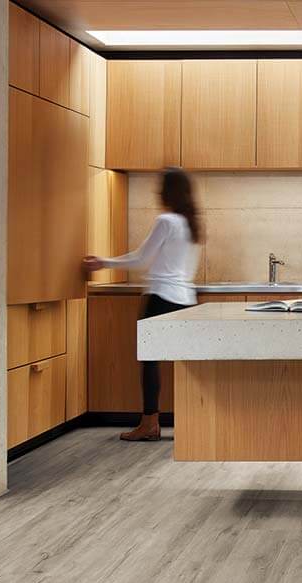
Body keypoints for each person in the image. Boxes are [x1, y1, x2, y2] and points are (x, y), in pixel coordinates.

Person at [84, 167, 201, 441]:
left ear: (167, 191)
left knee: (150, 361)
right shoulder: (191, 224)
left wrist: (104, 262)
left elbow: (141, 259)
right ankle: (197, 420)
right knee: (190, 363)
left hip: (160, 297)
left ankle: (149, 424)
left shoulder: (167, 221)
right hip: (186, 300)